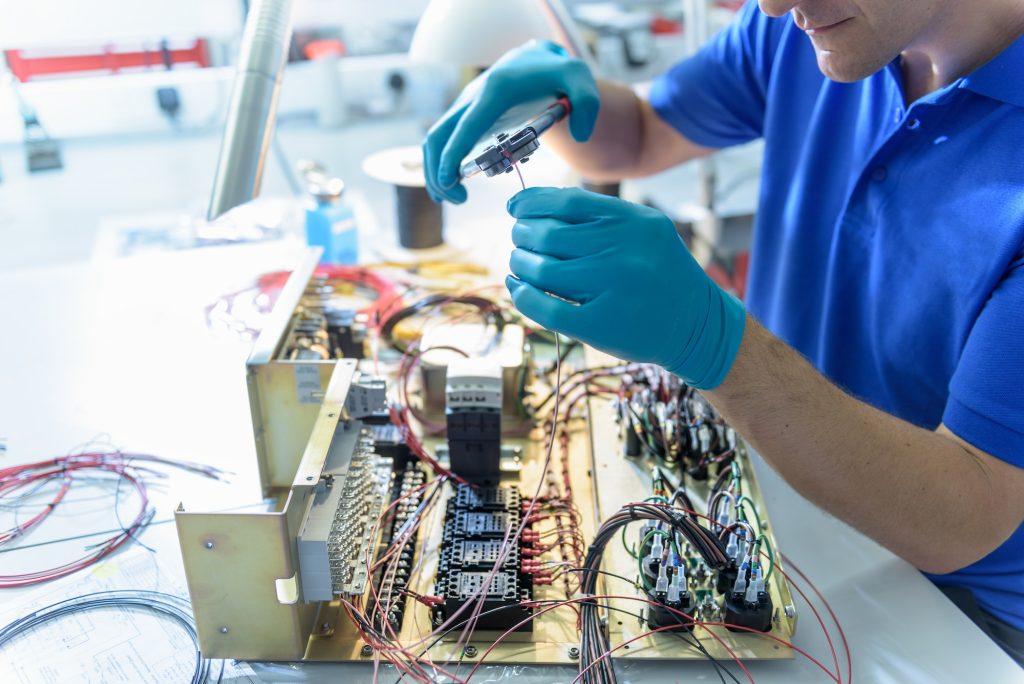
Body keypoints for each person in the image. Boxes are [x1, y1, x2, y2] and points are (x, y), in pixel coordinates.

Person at [422, 0, 1024, 666]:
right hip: (778, 490)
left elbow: (965, 517)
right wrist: (557, 103)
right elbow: (646, 132)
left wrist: (714, 342)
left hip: (958, 612)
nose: (771, 5)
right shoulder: (816, 26)